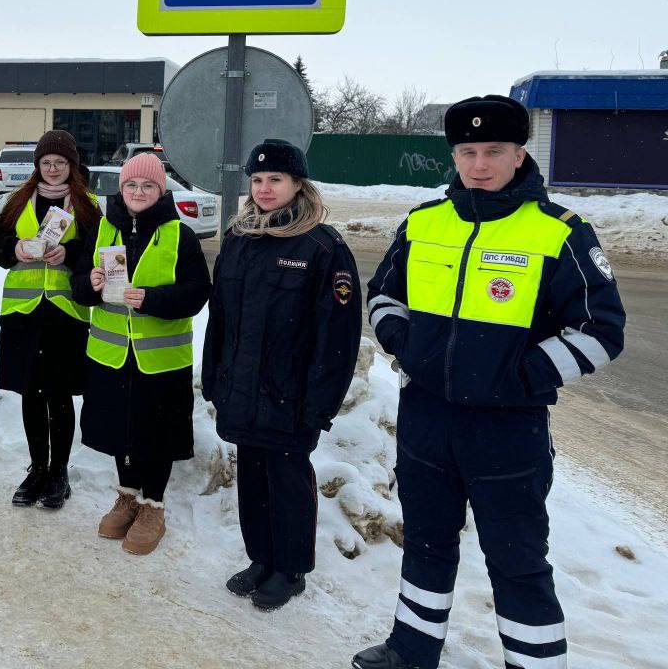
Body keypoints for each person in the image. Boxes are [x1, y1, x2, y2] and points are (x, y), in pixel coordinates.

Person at [352, 95, 626, 669]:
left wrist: (518, 377)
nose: (479, 164)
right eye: (468, 151)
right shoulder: (424, 221)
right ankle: (412, 648)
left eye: (494, 151)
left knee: (517, 557)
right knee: (426, 542)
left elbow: (601, 331)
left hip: (508, 428)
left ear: (520, 152)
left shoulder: (559, 234)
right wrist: (406, 345)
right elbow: (383, 296)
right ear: (454, 154)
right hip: (427, 418)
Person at [202, 138, 361, 612]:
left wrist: (319, 405)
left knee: (287, 479)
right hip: (242, 389)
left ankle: (290, 570)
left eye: (276, 179)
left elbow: (338, 336)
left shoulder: (322, 247)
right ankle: (261, 559)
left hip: (290, 396)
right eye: (257, 180)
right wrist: (215, 378)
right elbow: (221, 318)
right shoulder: (239, 238)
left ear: (297, 184)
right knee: (252, 475)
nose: (265, 188)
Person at [70, 152, 211, 554]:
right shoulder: (101, 229)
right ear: (121, 188)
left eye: (148, 186)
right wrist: (91, 281)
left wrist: (151, 299)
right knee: (120, 430)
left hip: (160, 361)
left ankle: (153, 505)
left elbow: (197, 293)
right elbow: (78, 288)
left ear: (160, 190)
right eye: (131, 185)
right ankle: (127, 495)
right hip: (111, 355)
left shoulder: (178, 234)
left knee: (156, 434)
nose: (138, 192)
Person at [0, 129, 102, 509]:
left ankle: (59, 472)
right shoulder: (16, 200)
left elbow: (97, 254)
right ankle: (37, 467)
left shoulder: (87, 206)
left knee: (58, 394)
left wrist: (68, 255)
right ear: (37, 166)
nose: (52, 169)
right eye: (46, 162)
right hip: (23, 312)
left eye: (60, 163)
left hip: (64, 312)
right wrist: (16, 248)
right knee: (30, 392)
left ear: (71, 167)